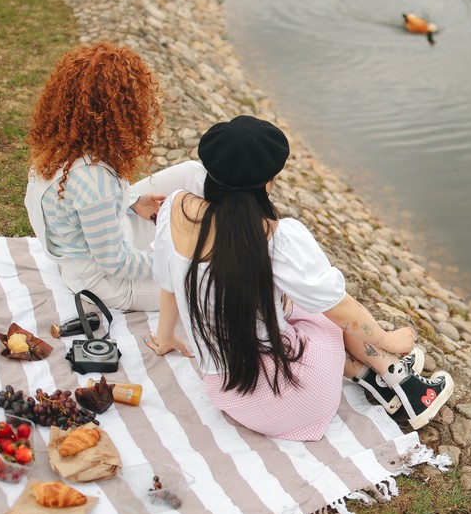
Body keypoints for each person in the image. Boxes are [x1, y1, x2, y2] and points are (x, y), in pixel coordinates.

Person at [146, 115, 454, 439]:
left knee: (294, 305)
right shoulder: (276, 238)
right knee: (324, 309)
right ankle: (401, 379)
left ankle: (372, 375)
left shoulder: (174, 210)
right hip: (301, 395)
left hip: (231, 394)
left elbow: (168, 285)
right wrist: (389, 339)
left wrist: (165, 337)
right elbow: (341, 311)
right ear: (267, 182)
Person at [24, 42, 207, 311]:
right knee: (213, 285)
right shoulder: (95, 182)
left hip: (110, 234)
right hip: (106, 283)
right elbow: (117, 263)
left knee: (192, 173)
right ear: (119, 115)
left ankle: (241, 224)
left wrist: (132, 201)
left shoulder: (57, 149)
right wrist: (183, 261)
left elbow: (85, 206)